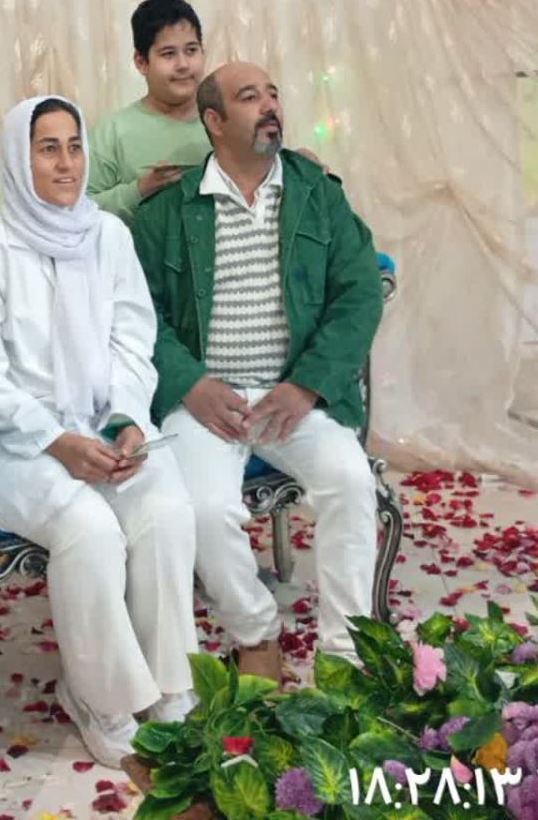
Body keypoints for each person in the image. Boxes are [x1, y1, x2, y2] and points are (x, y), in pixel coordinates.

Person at [0, 96, 199, 766]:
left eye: (74, 146)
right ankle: (99, 698)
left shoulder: (108, 236)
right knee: (88, 527)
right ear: (18, 159)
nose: (67, 163)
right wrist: (56, 442)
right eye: (47, 148)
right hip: (5, 444)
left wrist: (125, 420)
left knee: (166, 509)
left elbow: (133, 339)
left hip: (104, 428)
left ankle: (169, 686)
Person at [131, 63, 384, 681]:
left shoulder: (317, 193)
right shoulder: (167, 212)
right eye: (250, 97)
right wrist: (191, 383)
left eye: (273, 93)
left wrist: (306, 385)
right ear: (214, 121)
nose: (270, 105)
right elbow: (137, 313)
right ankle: (255, 635)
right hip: (205, 400)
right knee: (203, 510)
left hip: (293, 394)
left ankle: (345, 657)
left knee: (351, 483)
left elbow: (359, 294)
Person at [87, 0, 211, 224]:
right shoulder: (113, 131)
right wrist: (140, 190)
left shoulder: (224, 122)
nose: (183, 65)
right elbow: (80, 210)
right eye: (168, 54)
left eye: (191, 50)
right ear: (141, 62)